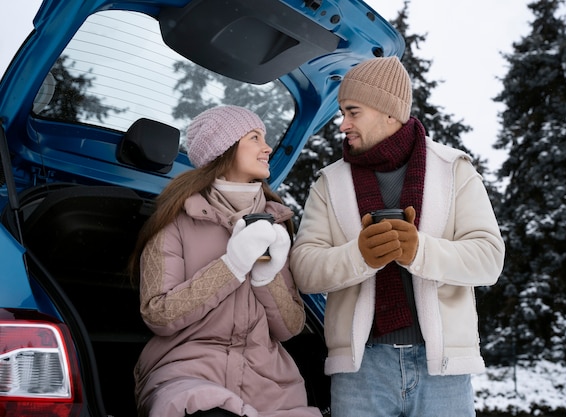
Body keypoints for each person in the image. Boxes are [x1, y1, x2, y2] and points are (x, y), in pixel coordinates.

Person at [289, 56, 505, 417]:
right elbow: (304, 270)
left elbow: (489, 259)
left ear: (388, 112)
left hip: (443, 371)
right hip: (360, 371)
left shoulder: (455, 170)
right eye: (343, 112)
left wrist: (418, 250)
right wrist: (361, 256)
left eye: (352, 112)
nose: (343, 124)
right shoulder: (330, 182)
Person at [130, 105, 322, 417]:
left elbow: (291, 327)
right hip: (188, 373)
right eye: (255, 137)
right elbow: (159, 315)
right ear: (225, 149)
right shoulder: (175, 219)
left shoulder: (276, 224)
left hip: (271, 383)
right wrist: (231, 266)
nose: (268, 147)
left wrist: (266, 276)